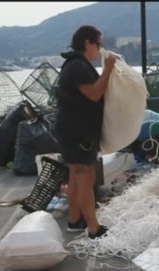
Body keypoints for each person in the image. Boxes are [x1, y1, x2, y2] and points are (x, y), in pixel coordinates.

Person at [55, 25, 116, 238]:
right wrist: (107, 69)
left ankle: (75, 220)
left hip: (70, 130)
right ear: (87, 43)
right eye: (98, 44)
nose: (100, 49)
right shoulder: (79, 66)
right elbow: (93, 94)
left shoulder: (72, 64)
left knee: (75, 175)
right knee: (85, 175)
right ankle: (94, 227)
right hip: (78, 132)